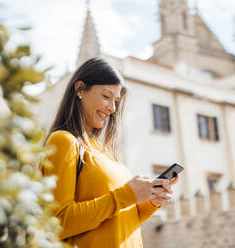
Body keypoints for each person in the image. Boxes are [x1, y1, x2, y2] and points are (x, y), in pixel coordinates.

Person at [40, 58, 179, 247]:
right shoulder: (63, 140)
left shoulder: (107, 153)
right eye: (106, 96)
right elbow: (56, 222)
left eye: (116, 101)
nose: (112, 109)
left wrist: (152, 201)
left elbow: (120, 219)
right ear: (80, 89)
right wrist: (127, 195)